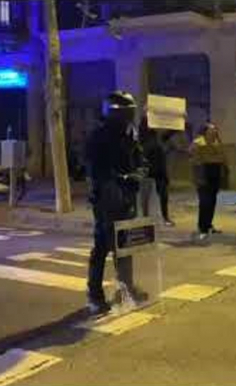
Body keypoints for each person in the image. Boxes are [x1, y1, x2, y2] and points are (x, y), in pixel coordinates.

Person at [85, 91, 146, 315]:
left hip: (127, 197)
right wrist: (119, 179)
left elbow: (141, 160)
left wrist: (138, 174)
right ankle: (94, 294)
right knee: (101, 247)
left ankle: (126, 288)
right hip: (106, 200)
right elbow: (96, 170)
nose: (130, 117)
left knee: (125, 245)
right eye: (126, 113)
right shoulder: (98, 137)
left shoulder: (130, 135)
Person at [191, 122, 226, 241]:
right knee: (205, 202)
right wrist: (199, 178)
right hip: (204, 175)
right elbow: (195, 162)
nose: (214, 133)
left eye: (215, 131)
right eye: (211, 131)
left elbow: (222, 158)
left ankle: (209, 225)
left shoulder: (217, 142)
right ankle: (202, 228)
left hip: (214, 175)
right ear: (205, 132)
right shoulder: (198, 143)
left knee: (212, 201)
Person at [139, 114, 175, 227]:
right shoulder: (143, 137)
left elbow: (171, 132)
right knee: (145, 195)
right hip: (148, 169)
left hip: (160, 170)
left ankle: (165, 217)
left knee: (163, 195)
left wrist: (178, 119)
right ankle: (145, 218)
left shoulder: (158, 137)